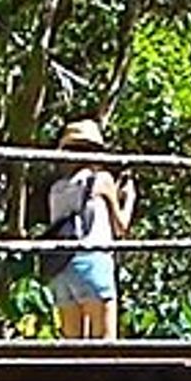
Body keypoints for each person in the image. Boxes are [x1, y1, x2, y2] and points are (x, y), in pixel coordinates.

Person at [40, 121, 135, 341]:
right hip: (93, 260)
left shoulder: (57, 189)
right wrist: (129, 199)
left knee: (73, 348)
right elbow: (121, 227)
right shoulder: (102, 180)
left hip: (62, 268)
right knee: (105, 344)